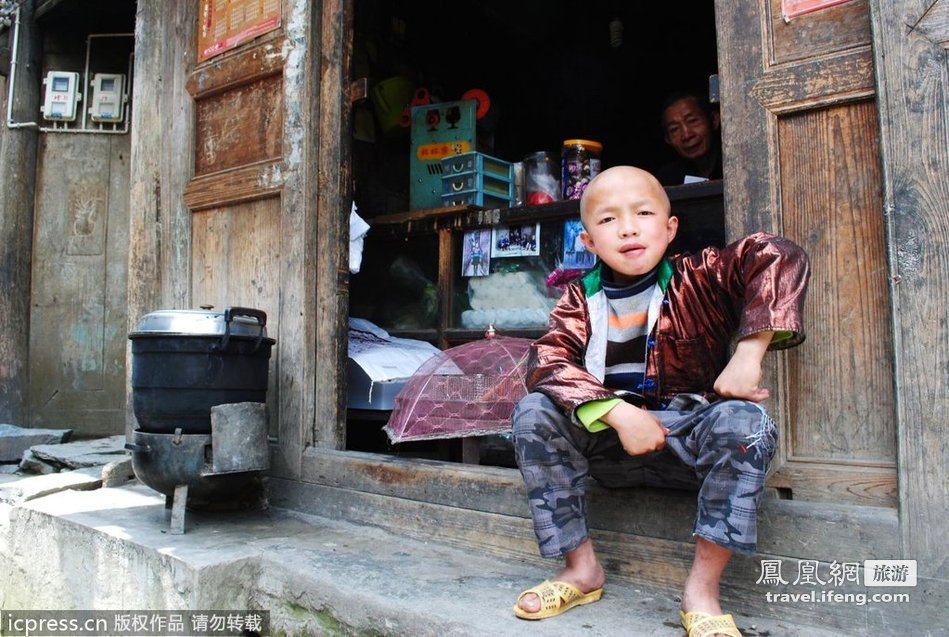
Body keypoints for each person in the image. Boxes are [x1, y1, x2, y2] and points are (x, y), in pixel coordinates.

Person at [510, 166, 809, 637]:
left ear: (670, 228)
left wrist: (750, 352)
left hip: (686, 445)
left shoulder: (700, 277)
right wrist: (618, 412)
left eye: (644, 213)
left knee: (746, 421)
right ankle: (581, 568)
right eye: (608, 221)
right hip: (611, 449)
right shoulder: (576, 301)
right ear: (588, 242)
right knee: (533, 411)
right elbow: (546, 361)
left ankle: (702, 592)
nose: (628, 228)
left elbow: (778, 254)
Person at [656, 92, 723, 186]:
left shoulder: (737, 163)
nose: (686, 135)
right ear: (668, 140)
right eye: (674, 129)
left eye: (693, 121)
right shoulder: (668, 179)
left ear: (714, 120)